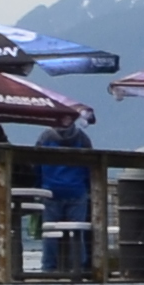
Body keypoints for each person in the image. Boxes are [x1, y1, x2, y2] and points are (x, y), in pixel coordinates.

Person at [32, 116, 97, 273]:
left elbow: (36, 165)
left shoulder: (45, 137)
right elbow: (91, 167)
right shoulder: (82, 138)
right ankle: (77, 267)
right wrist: (87, 187)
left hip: (50, 191)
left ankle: (49, 268)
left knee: (50, 232)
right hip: (76, 190)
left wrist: (38, 186)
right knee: (77, 232)